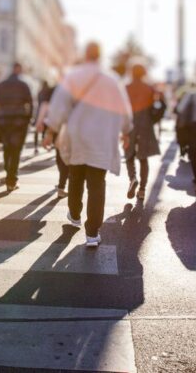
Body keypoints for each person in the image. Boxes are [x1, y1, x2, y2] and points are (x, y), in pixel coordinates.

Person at [43, 42, 132, 248]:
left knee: (75, 177)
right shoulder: (112, 80)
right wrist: (126, 131)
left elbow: (58, 107)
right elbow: (124, 110)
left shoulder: (73, 76)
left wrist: (50, 131)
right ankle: (92, 233)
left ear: (85, 55)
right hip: (102, 138)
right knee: (97, 184)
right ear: (100, 56)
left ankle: (74, 215)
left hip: (77, 136)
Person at [0, 63, 33, 192]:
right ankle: (12, 179)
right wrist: (29, 119)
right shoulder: (23, 84)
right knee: (16, 150)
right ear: (19, 70)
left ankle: (7, 171)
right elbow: (31, 103)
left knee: (7, 147)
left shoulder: (2, 84)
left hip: (4, 119)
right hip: (19, 121)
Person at [124, 61, 160, 201]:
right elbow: (155, 107)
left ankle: (132, 178)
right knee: (143, 157)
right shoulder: (149, 88)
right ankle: (142, 190)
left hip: (130, 124)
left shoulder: (126, 88)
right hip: (145, 125)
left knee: (129, 154)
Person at [36, 76, 68, 197]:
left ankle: (62, 181)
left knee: (59, 153)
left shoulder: (54, 89)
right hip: (66, 125)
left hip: (54, 124)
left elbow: (45, 105)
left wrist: (40, 121)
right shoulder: (73, 89)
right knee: (64, 156)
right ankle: (62, 185)